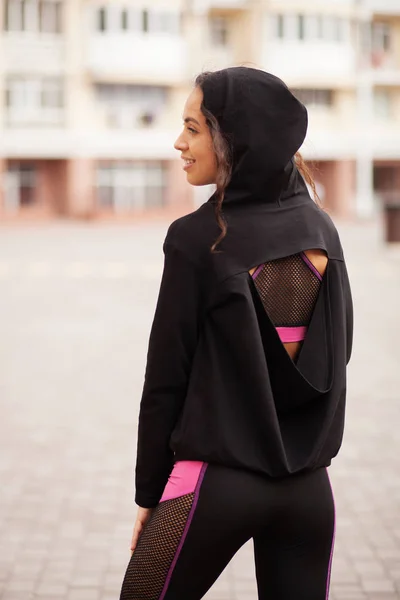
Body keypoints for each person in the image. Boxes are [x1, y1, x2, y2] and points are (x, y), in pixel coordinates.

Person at [119, 66, 353, 600]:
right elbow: (337, 355)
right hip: (309, 492)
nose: (178, 142)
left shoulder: (196, 238)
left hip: (212, 485)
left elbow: (165, 383)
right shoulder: (322, 229)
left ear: (233, 137)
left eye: (193, 128)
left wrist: (149, 495)